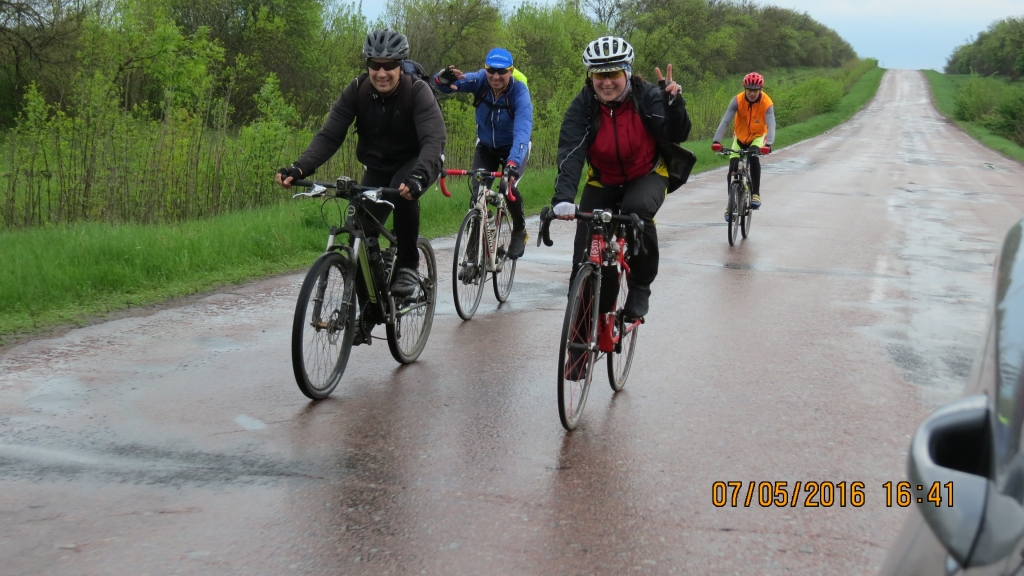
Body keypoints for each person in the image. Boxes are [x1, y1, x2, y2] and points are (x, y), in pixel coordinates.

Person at [276, 28, 446, 297]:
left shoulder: (417, 91)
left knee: (403, 195)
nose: (381, 73)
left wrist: (419, 175)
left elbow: (433, 140)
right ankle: (368, 310)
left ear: (400, 66)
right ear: (367, 65)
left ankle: (408, 265)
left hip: (416, 162)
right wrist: (300, 167)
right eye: (375, 65)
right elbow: (330, 135)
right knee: (360, 232)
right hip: (377, 166)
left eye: (389, 65)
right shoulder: (357, 90)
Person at [551, 36, 694, 322]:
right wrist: (564, 198)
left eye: (613, 73)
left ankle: (640, 287)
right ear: (590, 76)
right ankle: (580, 338)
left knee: (636, 211)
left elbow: (677, 134)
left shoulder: (647, 96)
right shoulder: (583, 106)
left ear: (627, 72)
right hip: (603, 180)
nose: (606, 82)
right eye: (599, 75)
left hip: (647, 174)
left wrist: (674, 105)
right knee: (584, 253)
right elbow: (571, 152)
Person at [433, 47, 534, 259]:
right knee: (477, 194)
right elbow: (448, 87)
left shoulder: (520, 93)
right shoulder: (480, 80)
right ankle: (473, 253)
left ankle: (519, 230)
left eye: (502, 71)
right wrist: (442, 79)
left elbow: (523, 132)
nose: (496, 76)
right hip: (486, 147)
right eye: (491, 70)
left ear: (511, 71)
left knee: (507, 187)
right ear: (485, 69)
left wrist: (513, 163)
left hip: (514, 148)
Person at [711, 72, 775, 221]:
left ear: (760, 90)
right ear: (745, 89)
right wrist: (716, 141)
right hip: (739, 137)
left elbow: (771, 124)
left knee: (753, 157)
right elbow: (725, 121)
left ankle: (755, 194)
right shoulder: (737, 100)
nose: (752, 93)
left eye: (755, 90)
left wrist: (769, 144)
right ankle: (730, 204)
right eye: (749, 90)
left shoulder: (766, 103)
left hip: (758, 137)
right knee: (732, 168)